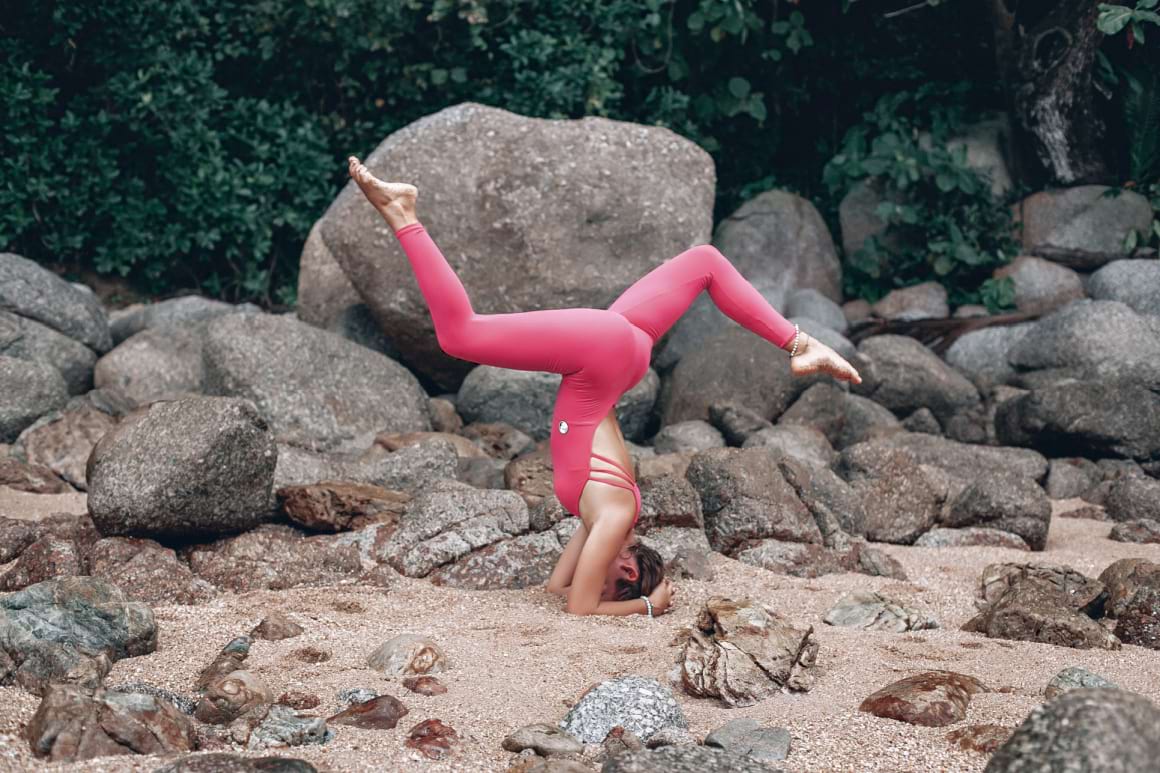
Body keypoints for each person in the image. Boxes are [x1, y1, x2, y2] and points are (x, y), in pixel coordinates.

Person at [347, 156, 862, 619]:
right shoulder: (613, 515)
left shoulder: (602, 519)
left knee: (706, 261)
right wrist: (648, 606)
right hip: (605, 354)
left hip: (612, 360)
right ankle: (403, 213)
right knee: (461, 334)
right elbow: (580, 607)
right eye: (610, 578)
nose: (594, 572)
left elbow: (557, 589)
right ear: (631, 572)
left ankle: (799, 343)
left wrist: (623, 590)